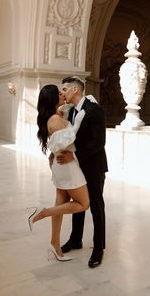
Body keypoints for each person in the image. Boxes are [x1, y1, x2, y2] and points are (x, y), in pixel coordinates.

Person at [28, 84, 90, 262]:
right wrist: (78, 121)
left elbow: (56, 141)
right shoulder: (55, 119)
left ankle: (55, 244)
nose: (63, 94)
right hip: (67, 165)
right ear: (53, 99)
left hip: (61, 163)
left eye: (64, 91)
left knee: (61, 204)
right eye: (60, 93)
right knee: (84, 203)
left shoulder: (57, 114)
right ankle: (44, 212)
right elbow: (68, 139)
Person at [58, 76, 108, 268]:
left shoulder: (94, 110)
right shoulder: (70, 112)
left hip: (94, 166)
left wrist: (75, 156)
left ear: (75, 90)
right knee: (78, 203)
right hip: (77, 166)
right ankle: (76, 240)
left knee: (96, 205)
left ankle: (98, 248)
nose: (62, 93)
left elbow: (99, 142)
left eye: (64, 89)